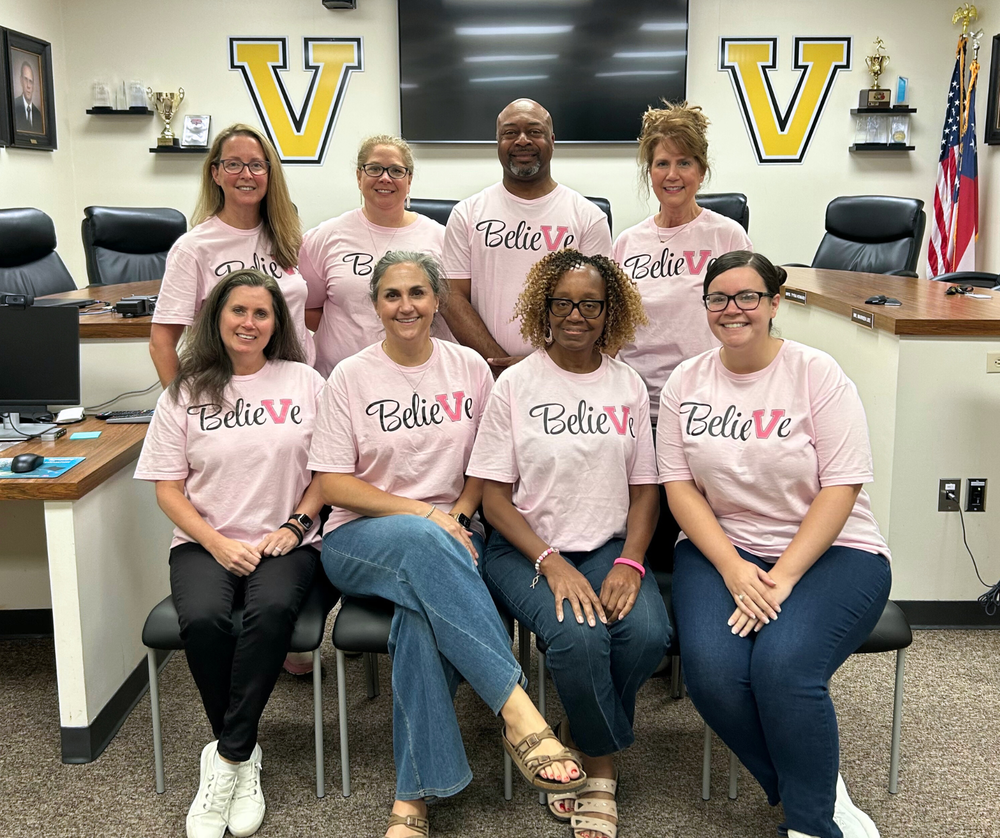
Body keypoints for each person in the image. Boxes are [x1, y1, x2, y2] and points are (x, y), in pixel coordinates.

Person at [308, 251, 586, 838]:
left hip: (457, 533)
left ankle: (413, 800)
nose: (405, 305)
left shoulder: (470, 368)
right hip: (359, 538)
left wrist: (456, 515)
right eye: (391, 295)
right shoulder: (350, 377)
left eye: (417, 293)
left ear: (437, 301)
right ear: (375, 305)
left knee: (418, 618)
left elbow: (488, 461)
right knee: (419, 539)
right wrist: (425, 514)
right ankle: (518, 711)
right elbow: (331, 482)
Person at [657, 250, 891, 838]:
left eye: (748, 297)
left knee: (783, 670)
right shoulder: (686, 381)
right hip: (721, 551)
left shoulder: (817, 373)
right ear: (705, 306)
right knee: (712, 675)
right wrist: (734, 568)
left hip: (833, 551)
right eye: (718, 298)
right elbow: (679, 489)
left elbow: (842, 487)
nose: (732, 309)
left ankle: (810, 824)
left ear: (775, 303)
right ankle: (812, 776)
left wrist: (782, 575)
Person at [469, 249, 671, 838]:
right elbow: (494, 499)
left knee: (645, 632)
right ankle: (601, 774)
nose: (576, 315)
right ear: (544, 309)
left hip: (609, 544)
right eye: (563, 302)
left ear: (611, 312)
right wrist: (550, 562)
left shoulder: (628, 385)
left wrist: (632, 563)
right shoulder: (516, 384)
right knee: (579, 639)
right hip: (525, 547)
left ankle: (580, 738)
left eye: (590, 304)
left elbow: (644, 490)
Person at [135, 269, 326, 838]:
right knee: (203, 619)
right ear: (216, 319)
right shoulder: (185, 391)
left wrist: (295, 525)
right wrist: (215, 542)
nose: (249, 322)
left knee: (269, 614)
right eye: (238, 311)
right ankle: (240, 756)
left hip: (286, 541)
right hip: (204, 540)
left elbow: (328, 471)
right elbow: (168, 486)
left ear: (277, 323)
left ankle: (228, 758)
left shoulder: (305, 381)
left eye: (262, 313)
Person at [612, 100, 753, 567]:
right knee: (644, 531)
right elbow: (615, 328)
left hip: (706, 404)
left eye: (684, 162)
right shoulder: (627, 243)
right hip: (641, 404)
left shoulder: (726, 235)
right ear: (648, 171)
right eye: (662, 163)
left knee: (702, 530)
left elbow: (745, 320)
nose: (673, 174)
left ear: (702, 168)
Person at [442, 98, 612, 375]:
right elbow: (452, 298)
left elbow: (598, 304)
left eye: (534, 132)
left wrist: (545, 365)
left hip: (564, 373)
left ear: (552, 141)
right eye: (510, 133)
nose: (522, 141)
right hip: (487, 373)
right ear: (497, 142)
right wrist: (499, 363)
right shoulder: (467, 214)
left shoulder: (587, 217)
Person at [150, 122, 314, 388]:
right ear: (215, 173)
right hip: (225, 394)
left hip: (294, 392)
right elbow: (161, 343)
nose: (246, 174)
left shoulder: (288, 239)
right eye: (233, 164)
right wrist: (181, 408)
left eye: (257, 165)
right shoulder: (193, 248)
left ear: (270, 173)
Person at [300, 134, 454, 378]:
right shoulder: (324, 238)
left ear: (409, 179)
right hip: (342, 380)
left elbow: (451, 310)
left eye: (396, 170)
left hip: (420, 379)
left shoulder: (442, 239)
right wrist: (351, 335)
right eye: (374, 169)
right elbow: (306, 307)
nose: (385, 178)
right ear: (359, 177)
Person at [14, 61, 43, 133]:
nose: (28, 86)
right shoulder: (14, 107)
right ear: (21, 81)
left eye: (31, 81)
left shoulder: (38, 114)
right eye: (25, 80)